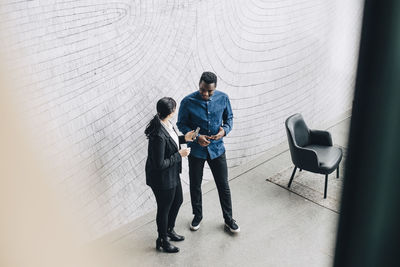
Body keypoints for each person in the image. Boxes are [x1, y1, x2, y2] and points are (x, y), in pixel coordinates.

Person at [177, 71, 240, 233]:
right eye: (202, 89)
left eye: (209, 91)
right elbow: (181, 124)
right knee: (195, 185)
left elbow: (230, 118)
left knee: (223, 185)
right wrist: (196, 137)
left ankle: (228, 219)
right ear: (199, 85)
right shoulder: (187, 101)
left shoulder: (223, 98)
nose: (205, 94)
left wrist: (224, 131)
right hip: (197, 151)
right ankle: (197, 215)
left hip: (217, 149)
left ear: (215, 88)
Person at [145, 97, 195, 253]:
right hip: (161, 178)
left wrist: (184, 138)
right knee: (164, 208)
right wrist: (179, 155)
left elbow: (171, 142)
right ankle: (162, 240)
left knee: (178, 200)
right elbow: (159, 164)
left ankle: (169, 230)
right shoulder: (158, 135)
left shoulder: (166, 123)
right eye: (175, 109)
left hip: (171, 173)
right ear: (172, 112)